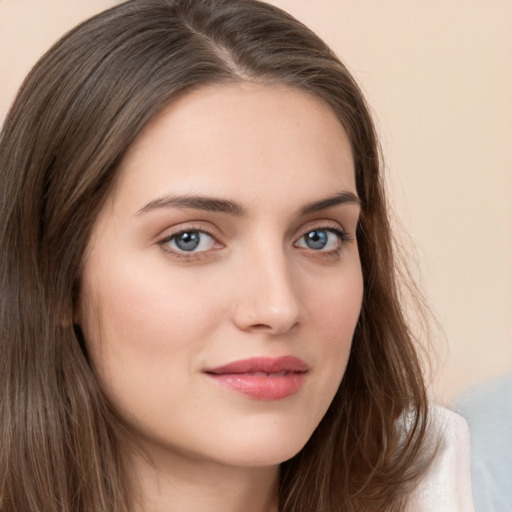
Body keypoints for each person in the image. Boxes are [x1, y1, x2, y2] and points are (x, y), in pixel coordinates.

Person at [0, 1, 474, 511]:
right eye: (190, 239)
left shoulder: (429, 486)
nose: (278, 307)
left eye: (319, 237)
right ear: (55, 275)